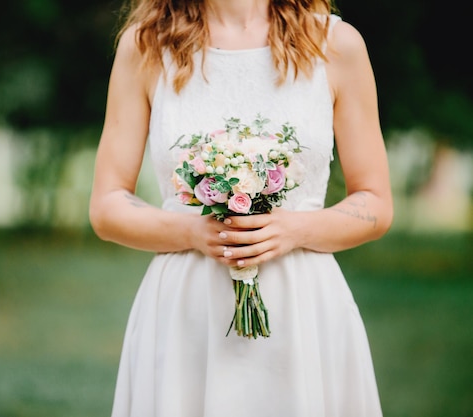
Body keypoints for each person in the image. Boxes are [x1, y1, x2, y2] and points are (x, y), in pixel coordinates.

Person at [89, 0, 393, 415]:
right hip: (187, 315)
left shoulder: (337, 45)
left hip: (301, 306)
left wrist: (295, 230)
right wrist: (192, 233)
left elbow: (375, 203)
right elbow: (107, 206)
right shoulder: (146, 46)